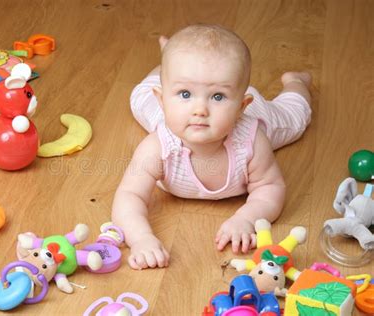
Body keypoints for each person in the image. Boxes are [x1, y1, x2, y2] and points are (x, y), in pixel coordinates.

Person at [112, 24, 312, 270]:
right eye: (185, 93)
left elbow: (270, 187)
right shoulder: (157, 148)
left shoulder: (252, 141)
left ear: (241, 106)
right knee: (139, 98)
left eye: (217, 97)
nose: (200, 110)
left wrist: (247, 218)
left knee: (296, 118)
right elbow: (129, 195)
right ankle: (169, 61)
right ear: (162, 100)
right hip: (171, 117)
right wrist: (141, 238)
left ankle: (295, 82)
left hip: (257, 117)